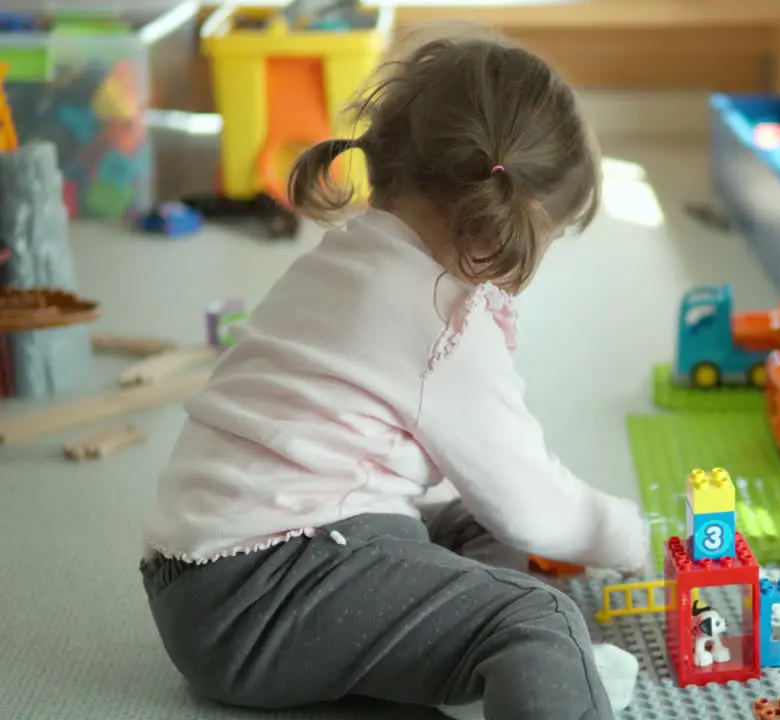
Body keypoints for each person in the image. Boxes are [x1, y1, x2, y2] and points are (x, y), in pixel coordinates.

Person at [138, 23, 648, 720]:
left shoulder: (348, 254)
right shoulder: (444, 317)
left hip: (209, 580)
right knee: (541, 620)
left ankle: (466, 660)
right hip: (262, 595)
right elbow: (536, 506)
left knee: (477, 527)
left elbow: (492, 508)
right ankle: (524, 665)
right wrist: (635, 536)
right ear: (514, 221)